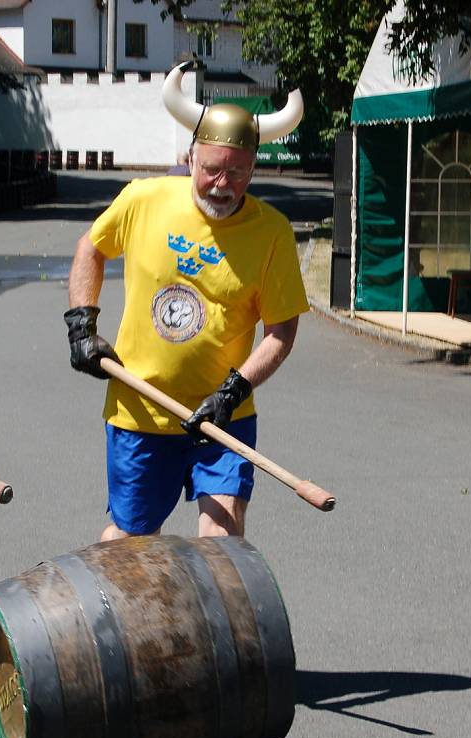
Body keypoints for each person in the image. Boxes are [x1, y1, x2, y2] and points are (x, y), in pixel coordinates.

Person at [64, 60, 308, 543]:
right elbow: (91, 248)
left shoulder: (272, 232)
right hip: (139, 412)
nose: (224, 184)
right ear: (191, 157)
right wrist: (81, 325)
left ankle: (216, 622)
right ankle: (126, 618)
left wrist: (233, 391)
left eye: (238, 173)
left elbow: (281, 333)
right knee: (129, 544)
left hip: (224, 417)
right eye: (213, 169)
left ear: (254, 167)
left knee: (224, 542)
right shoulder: (143, 199)